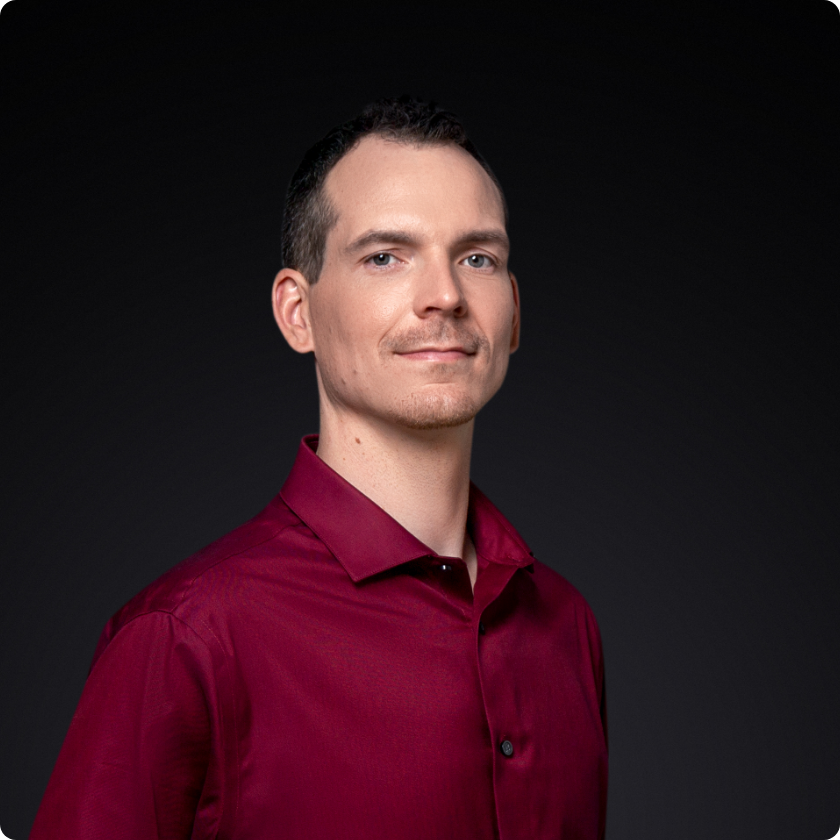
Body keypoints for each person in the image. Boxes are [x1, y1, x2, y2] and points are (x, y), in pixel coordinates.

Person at [30, 95, 608, 839]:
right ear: (297, 312)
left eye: (477, 258)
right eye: (385, 257)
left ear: (514, 312)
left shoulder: (566, 624)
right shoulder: (184, 637)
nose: (445, 296)